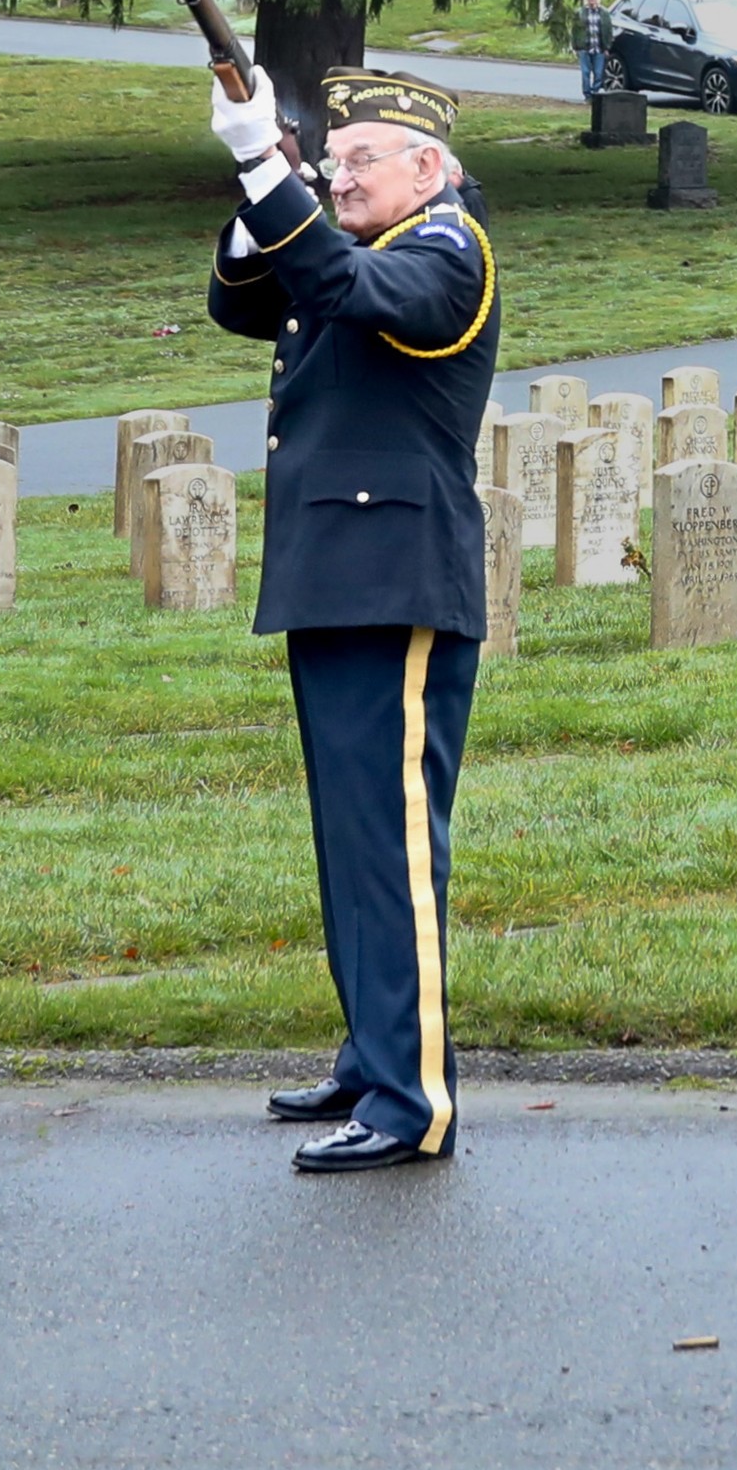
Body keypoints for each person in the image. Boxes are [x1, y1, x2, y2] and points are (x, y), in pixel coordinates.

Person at [205, 63, 500, 1172]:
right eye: (330, 162)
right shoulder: (362, 246)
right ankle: (373, 1052)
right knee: (350, 842)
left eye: (358, 159)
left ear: (429, 166)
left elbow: (340, 284)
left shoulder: (446, 249)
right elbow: (242, 301)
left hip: (395, 580)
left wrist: (262, 165)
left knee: (391, 844)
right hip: (336, 576)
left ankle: (411, 1099)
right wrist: (266, 185)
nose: (340, 178)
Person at [576, 0, 611, 99]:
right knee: (585, 72)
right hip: (585, 48)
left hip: (599, 48)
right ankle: (587, 95)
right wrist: (576, 47)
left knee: (598, 73)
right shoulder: (580, 13)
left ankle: (595, 92)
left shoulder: (604, 13)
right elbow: (575, 31)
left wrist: (607, 47)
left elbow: (608, 31)